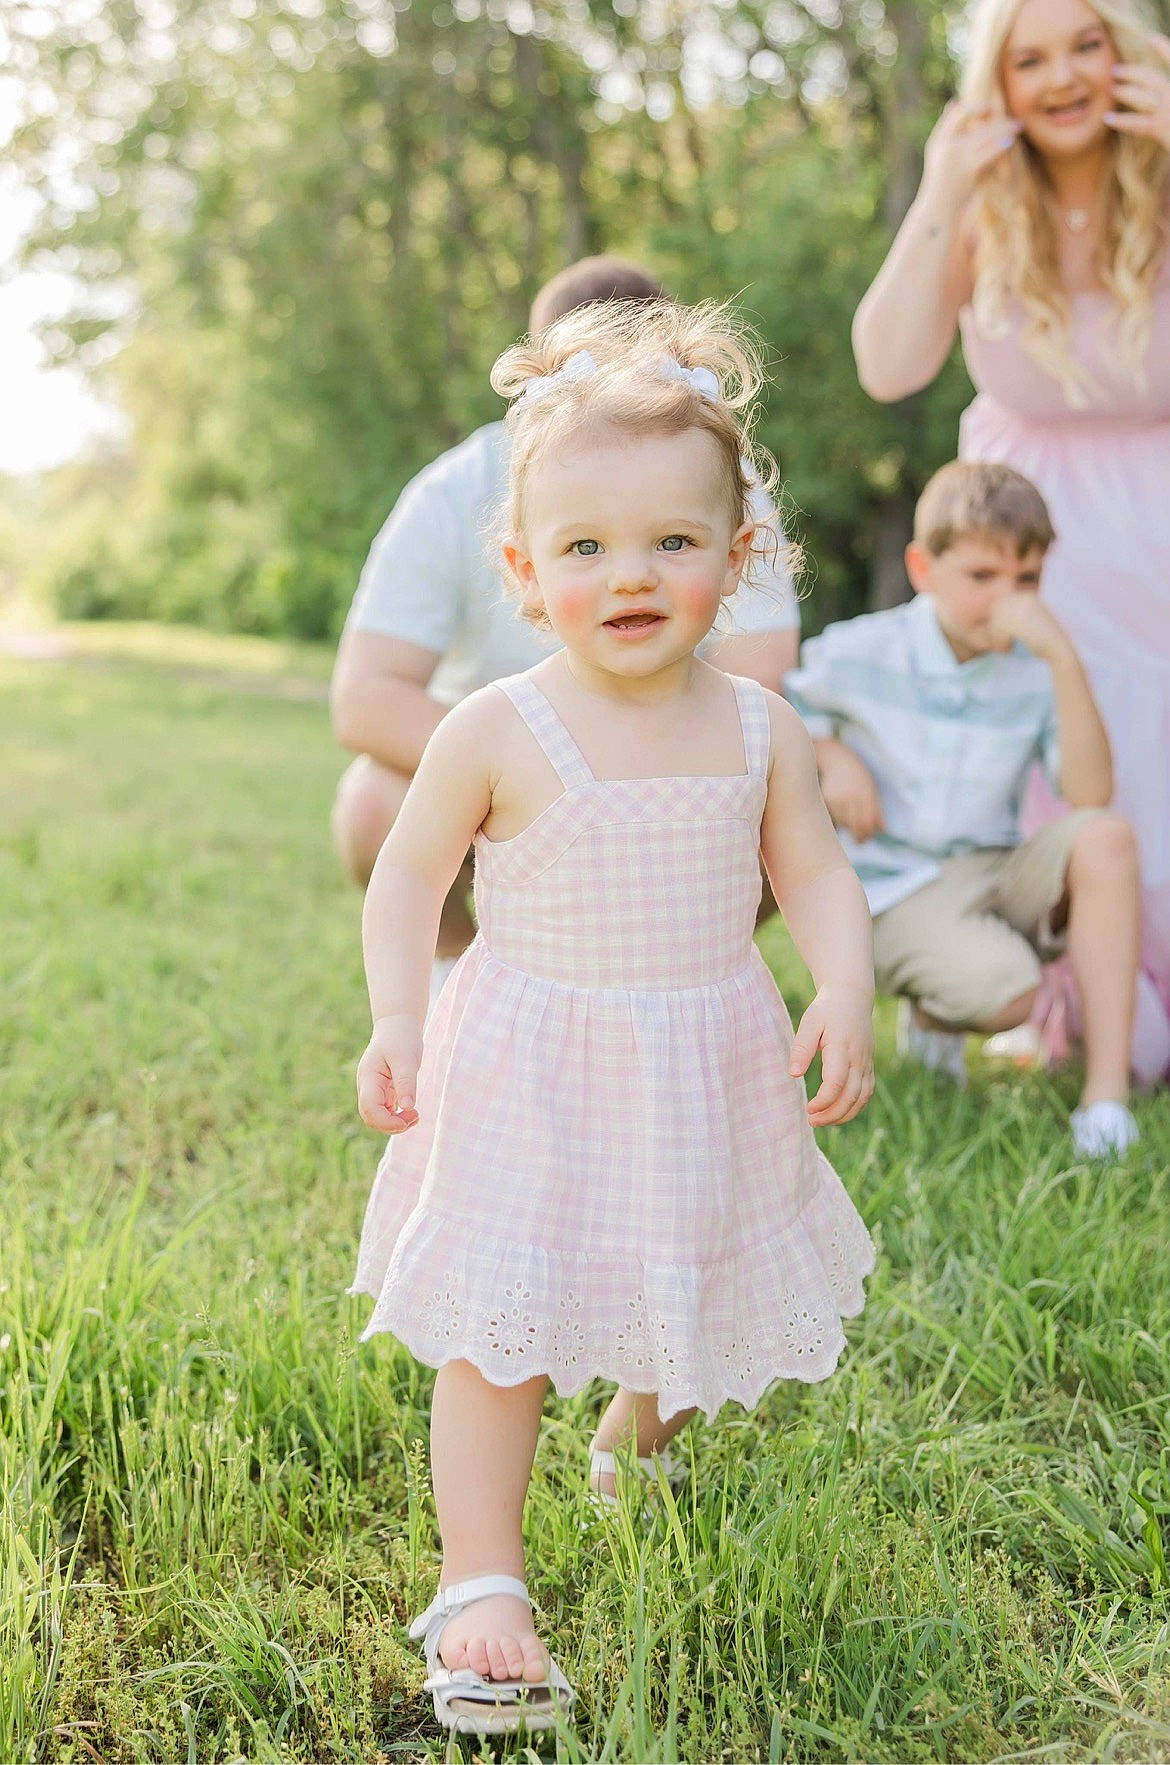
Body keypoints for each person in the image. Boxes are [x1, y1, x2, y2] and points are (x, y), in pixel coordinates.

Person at [348, 299, 876, 1735]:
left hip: (701, 1055)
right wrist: (398, 1015)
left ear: (737, 557)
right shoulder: (498, 726)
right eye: (583, 548)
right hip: (530, 1057)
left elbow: (813, 867)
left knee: (684, 1293)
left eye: (670, 543)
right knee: (500, 1329)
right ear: (525, 570)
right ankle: (481, 1582)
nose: (626, 575)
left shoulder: (760, 729)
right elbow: (406, 881)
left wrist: (840, 978)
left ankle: (636, 1438)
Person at [330, 256, 802, 1006]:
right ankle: (456, 964)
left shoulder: (719, 482)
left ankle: (687, 975)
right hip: (502, 775)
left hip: (677, 755)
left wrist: (635, 779)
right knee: (373, 801)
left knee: (796, 779)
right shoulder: (457, 487)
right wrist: (534, 771)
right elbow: (365, 698)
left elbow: (763, 673)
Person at [851, 0, 1170, 1086]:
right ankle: (1006, 981)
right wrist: (941, 188)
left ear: (1126, 55)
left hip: (1158, 538)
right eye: (1029, 57)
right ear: (999, 81)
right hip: (1026, 534)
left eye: (1087, 44)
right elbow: (889, 366)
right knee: (1026, 753)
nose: (1064, 76)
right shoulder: (982, 205)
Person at [786, 460, 1141, 1158]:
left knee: (1107, 838)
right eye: (982, 577)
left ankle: (1105, 1101)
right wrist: (830, 755)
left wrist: (1064, 661)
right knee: (1009, 994)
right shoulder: (863, 650)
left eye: (1027, 579)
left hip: (990, 866)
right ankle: (937, 1010)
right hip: (896, 885)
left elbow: (1089, 795)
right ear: (924, 568)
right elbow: (776, 711)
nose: (1009, 601)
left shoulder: (1037, 670)